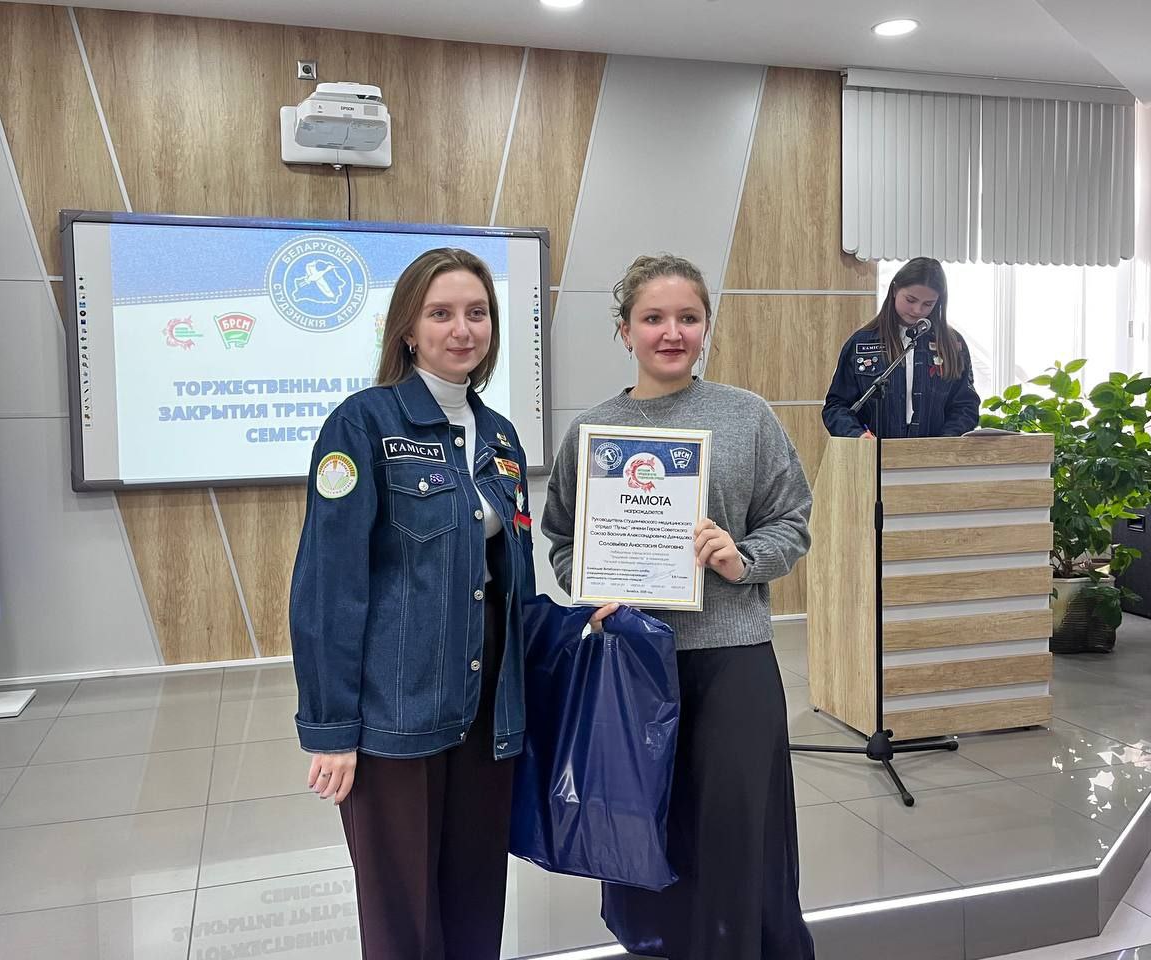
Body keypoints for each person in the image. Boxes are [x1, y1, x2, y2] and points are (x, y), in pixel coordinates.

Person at [542, 253, 816, 960]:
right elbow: (563, 537)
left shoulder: (747, 416)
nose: (672, 333)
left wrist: (741, 557)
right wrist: (590, 586)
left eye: (688, 318)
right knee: (648, 827)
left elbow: (792, 520)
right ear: (625, 331)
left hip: (731, 656)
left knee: (738, 830)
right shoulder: (594, 433)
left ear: (705, 326)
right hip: (632, 662)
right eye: (653, 318)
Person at [289, 247, 536, 960]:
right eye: (440, 313)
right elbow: (329, 585)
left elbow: (510, 580)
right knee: (404, 922)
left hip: (486, 709)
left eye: (477, 313)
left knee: (475, 901)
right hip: (396, 713)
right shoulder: (363, 425)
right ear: (407, 328)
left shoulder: (501, 438)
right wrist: (332, 728)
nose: (462, 329)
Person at [823, 256, 980, 438]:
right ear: (895, 289)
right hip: (875, 450)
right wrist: (857, 435)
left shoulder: (953, 344)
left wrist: (945, 441)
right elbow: (837, 406)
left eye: (928, 304)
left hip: (936, 452)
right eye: (911, 300)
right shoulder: (861, 343)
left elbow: (966, 406)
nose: (917, 310)